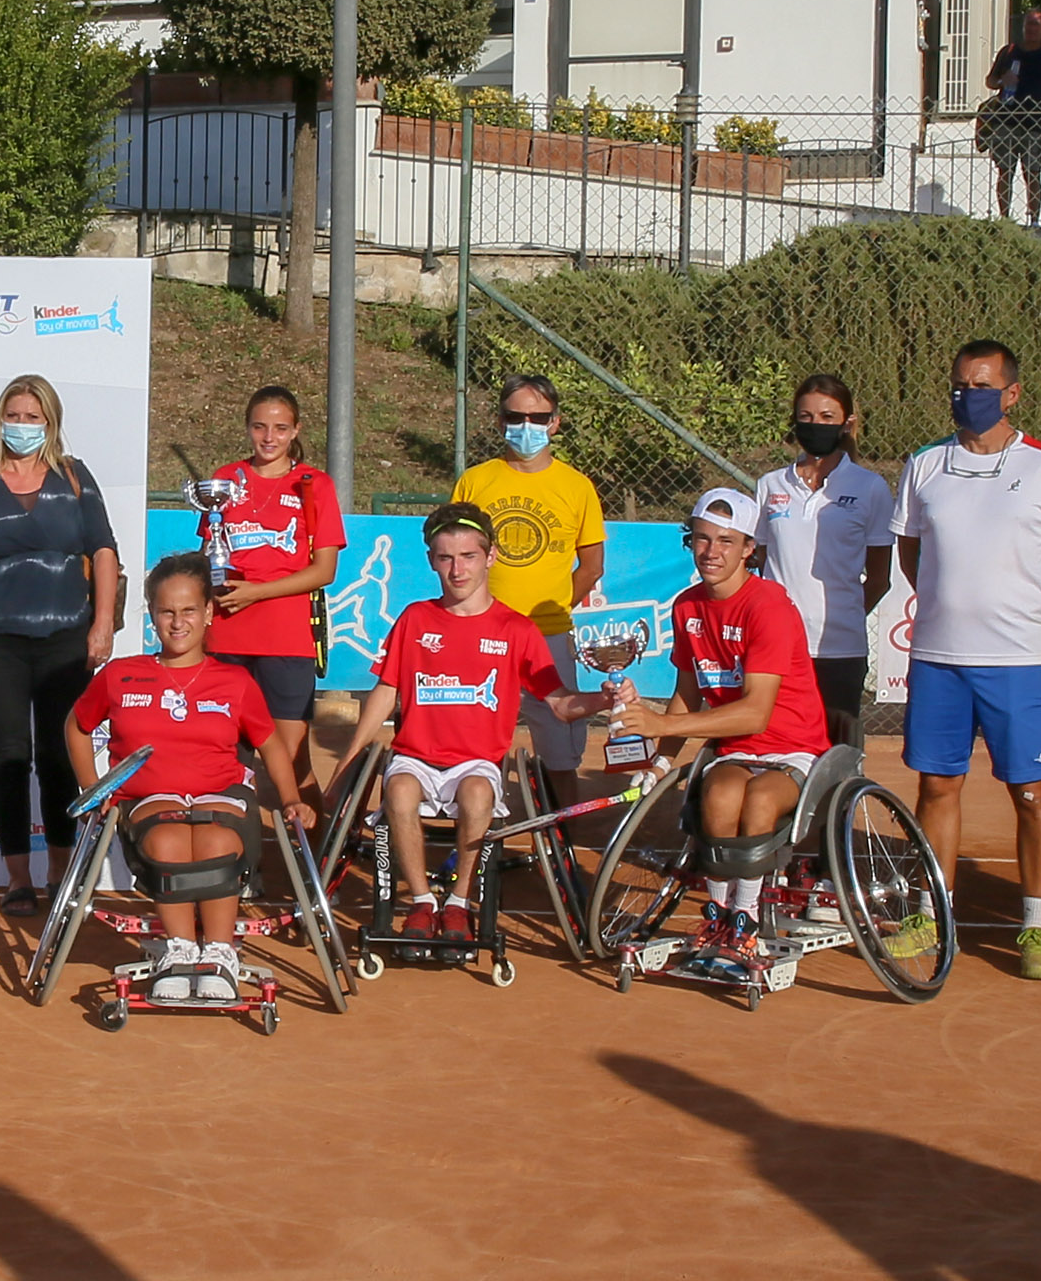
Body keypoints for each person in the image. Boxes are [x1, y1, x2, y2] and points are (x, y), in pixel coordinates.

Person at [892, 339, 1041, 978]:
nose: (966, 397)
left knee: (1031, 794)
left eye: (980, 386)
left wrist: (1021, 615)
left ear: (1011, 394)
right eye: (958, 385)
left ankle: (1037, 928)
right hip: (938, 658)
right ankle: (930, 911)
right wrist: (952, 605)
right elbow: (910, 553)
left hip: (1018, 662)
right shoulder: (924, 465)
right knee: (937, 786)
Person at [348, 503, 612, 937]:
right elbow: (386, 690)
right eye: (446, 558)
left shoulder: (517, 630)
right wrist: (349, 760)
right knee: (398, 790)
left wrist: (604, 699)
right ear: (432, 560)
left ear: (490, 557)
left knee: (475, 796)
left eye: (468, 556)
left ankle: (458, 901)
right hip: (415, 756)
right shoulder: (415, 618)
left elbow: (561, 704)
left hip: (476, 761)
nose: (457, 570)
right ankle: (420, 901)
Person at [67, 552, 313, 1003]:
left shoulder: (235, 680)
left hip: (221, 791)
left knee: (217, 840)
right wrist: (93, 789)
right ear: (153, 616)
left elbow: (271, 744)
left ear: (208, 614)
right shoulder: (122, 675)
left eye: (188, 611)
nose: (178, 622)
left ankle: (219, 952)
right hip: (149, 797)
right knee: (167, 842)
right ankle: (179, 951)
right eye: (166, 612)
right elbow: (77, 726)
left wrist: (292, 797)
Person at [605, 487, 832, 960]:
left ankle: (744, 919)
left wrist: (658, 727)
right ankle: (719, 915)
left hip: (791, 744)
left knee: (761, 801)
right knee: (719, 794)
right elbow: (687, 696)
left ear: (750, 548)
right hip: (736, 749)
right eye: (703, 539)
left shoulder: (767, 605)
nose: (712, 552)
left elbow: (756, 711)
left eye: (727, 542)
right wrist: (660, 765)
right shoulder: (687, 607)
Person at [0, 375, 122, 916]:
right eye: (13, 416)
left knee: (61, 756)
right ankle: (19, 877)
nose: (21, 426)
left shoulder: (74, 476)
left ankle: (60, 872)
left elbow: (104, 550)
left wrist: (103, 622)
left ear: (51, 422)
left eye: (32, 416)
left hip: (66, 635)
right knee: (9, 759)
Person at [449, 375, 608, 816]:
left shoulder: (577, 487)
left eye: (538, 418)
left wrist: (553, 607)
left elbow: (592, 566)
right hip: (480, 634)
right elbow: (455, 554)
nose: (527, 426)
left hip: (547, 637)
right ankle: (475, 841)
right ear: (500, 421)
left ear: (555, 423)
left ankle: (564, 845)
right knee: (473, 747)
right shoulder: (475, 481)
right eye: (516, 417)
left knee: (559, 751)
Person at [201, 385, 342, 783]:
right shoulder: (226, 479)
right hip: (227, 636)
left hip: (286, 639)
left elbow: (324, 571)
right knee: (223, 761)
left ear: (295, 431)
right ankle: (231, 844)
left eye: (280, 428)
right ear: (247, 428)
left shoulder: (314, 484)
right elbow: (208, 556)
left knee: (292, 763)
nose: (269, 437)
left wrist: (257, 593)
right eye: (260, 427)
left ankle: (313, 848)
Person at [753, 375, 893, 742]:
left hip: (839, 649)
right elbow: (763, 557)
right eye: (807, 416)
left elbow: (880, 578)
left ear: (847, 423)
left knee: (836, 751)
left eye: (827, 417)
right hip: (777, 645)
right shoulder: (770, 485)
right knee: (775, 746)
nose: (816, 425)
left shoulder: (870, 487)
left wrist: (839, 617)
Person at [979, 8, 1041, 228]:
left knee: (1033, 172)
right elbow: (990, 80)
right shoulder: (1008, 52)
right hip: (1005, 121)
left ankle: (1034, 219)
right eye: (1028, 23)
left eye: (1037, 24)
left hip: (1034, 122)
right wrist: (1002, 81)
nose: (1031, 28)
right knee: (1005, 171)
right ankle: (1004, 217)